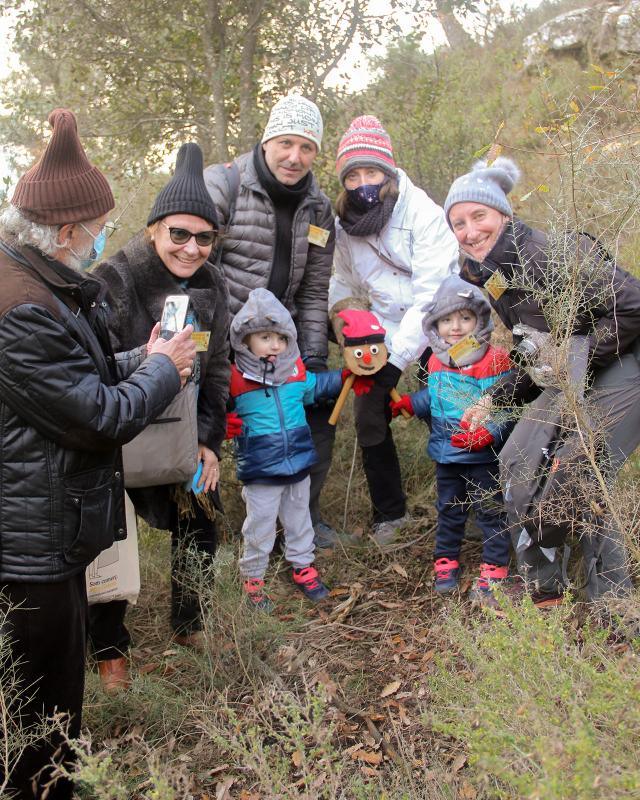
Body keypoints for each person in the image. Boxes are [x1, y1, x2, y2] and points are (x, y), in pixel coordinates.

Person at [0, 109, 196, 799]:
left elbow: (73, 378)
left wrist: (139, 356)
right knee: (42, 714)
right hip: (29, 546)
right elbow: (96, 419)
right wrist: (164, 370)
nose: (101, 237)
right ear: (66, 232)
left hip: (45, 532)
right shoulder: (19, 306)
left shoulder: (36, 283)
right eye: (98, 225)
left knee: (51, 698)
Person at [444, 156, 640, 603]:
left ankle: (615, 605)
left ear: (504, 216)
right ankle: (543, 589)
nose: (470, 231)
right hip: (579, 369)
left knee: (582, 472)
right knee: (516, 462)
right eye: (459, 223)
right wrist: (495, 398)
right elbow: (538, 353)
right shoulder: (492, 275)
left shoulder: (546, 254)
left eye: (479, 216)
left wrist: (580, 358)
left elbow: (633, 306)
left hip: (627, 360)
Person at [89, 143, 230, 690]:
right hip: (118, 425)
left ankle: (190, 621)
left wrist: (209, 442)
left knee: (201, 502)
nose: (191, 248)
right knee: (105, 534)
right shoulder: (114, 279)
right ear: (153, 229)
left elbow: (217, 369)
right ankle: (107, 648)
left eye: (204, 237)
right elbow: (93, 371)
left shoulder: (214, 284)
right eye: (178, 234)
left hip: (182, 429)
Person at [204, 95, 341, 548]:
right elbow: (194, 267)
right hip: (224, 341)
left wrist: (316, 354)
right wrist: (212, 352)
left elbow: (315, 287)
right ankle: (213, 535)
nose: (294, 157)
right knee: (213, 427)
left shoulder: (319, 208)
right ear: (267, 142)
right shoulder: (225, 185)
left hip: (282, 343)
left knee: (312, 422)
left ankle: (301, 522)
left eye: (306, 147)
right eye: (286, 143)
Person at [328, 115, 460, 545]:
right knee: (369, 414)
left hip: (438, 319)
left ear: (387, 171)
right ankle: (390, 514)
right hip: (382, 323)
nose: (363, 182)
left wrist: (397, 359)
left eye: (371, 172)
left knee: (450, 405)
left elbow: (431, 292)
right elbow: (341, 281)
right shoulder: (344, 223)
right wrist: (346, 318)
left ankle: (473, 502)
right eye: (353, 174)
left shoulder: (421, 211)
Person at [227, 289, 372, 610]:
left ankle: (303, 566)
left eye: (280, 337)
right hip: (260, 470)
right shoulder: (235, 379)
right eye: (265, 337)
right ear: (245, 340)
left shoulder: (295, 373)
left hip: (298, 464)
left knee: (299, 519)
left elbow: (317, 387)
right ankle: (253, 578)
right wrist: (222, 424)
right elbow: (213, 409)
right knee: (260, 525)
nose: (275, 345)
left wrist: (349, 374)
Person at [390, 275, 513, 606]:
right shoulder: (435, 358)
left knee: (490, 510)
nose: (455, 327)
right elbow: (435, 396)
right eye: (446, 320)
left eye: (465, 318)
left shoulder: (495, 359)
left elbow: (507, 404)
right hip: (446, 454)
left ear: (479, 320)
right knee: (448, 509)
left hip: (483, 457)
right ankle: (446, 561)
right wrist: (410, 404)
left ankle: (495, 566)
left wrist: (490, 432)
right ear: (435, 325)